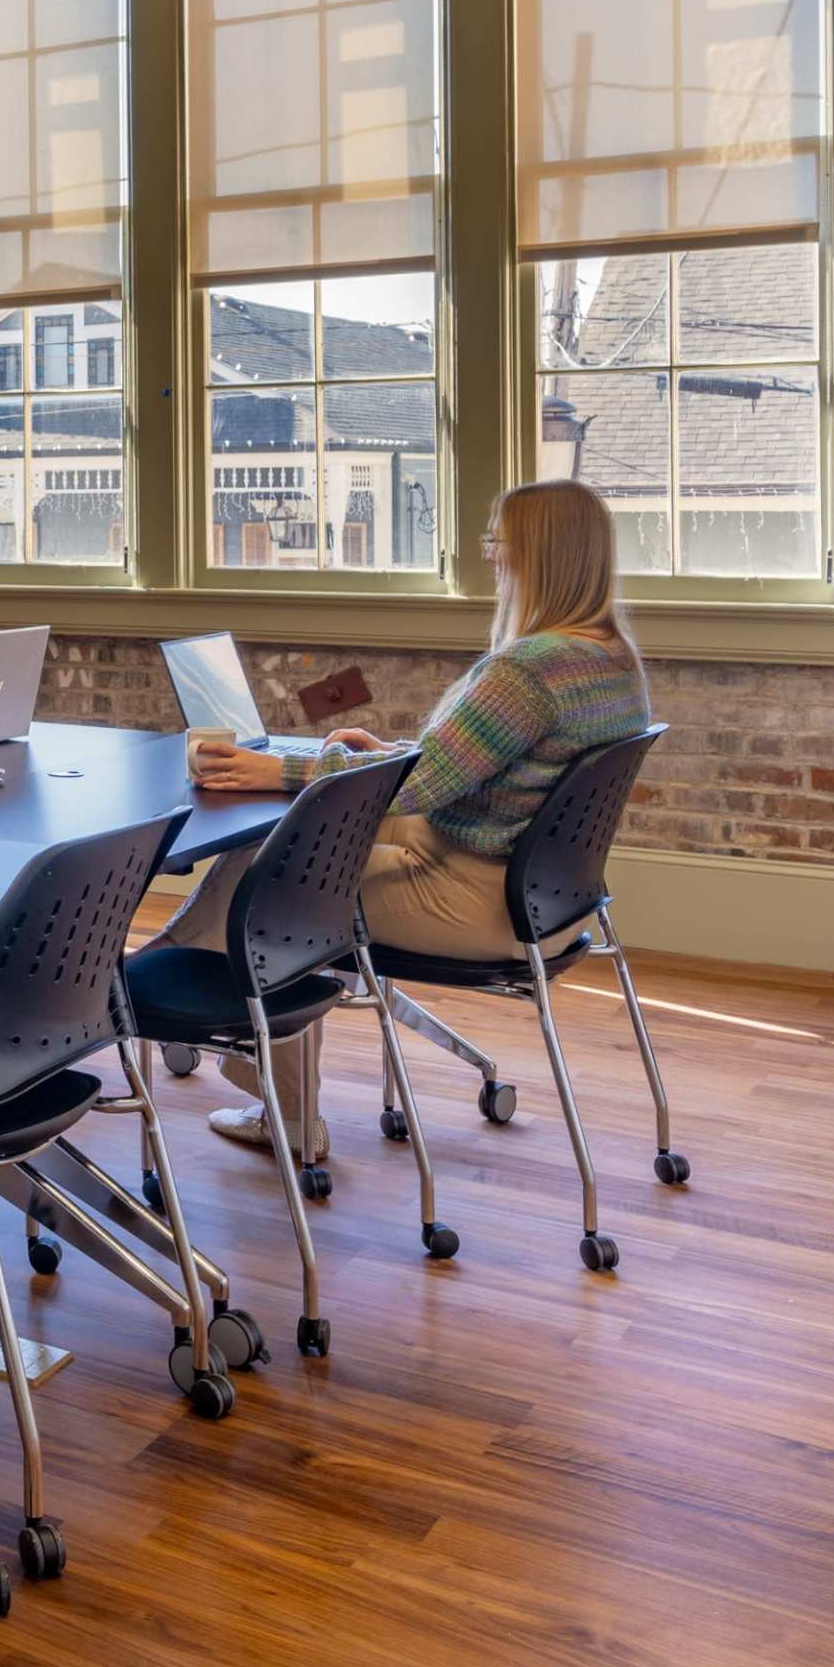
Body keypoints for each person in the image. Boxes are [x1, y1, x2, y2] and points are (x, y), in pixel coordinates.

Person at [159, 479, 654, 1164]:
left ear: (540, 555)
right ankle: (177, 982)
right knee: (283, 848)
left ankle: (163, 993)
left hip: (471, 896)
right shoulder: (610, 658)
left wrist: (281, 772)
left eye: (499, 542)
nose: (492, 556)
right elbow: (465, 766)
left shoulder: (530, 670)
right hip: (545, 897)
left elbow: (417, 788)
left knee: (282, 878)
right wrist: (383, 754)